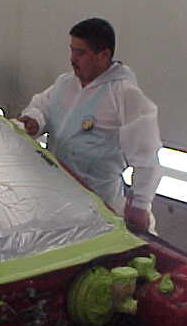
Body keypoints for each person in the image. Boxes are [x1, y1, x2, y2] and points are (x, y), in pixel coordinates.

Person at [17, 17, 163, 233]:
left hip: (99, 205)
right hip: (56, 196)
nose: (72, 59)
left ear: (103, 55)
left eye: (81, 53)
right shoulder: (65, 83)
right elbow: (42, 107)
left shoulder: (124, 94)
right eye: (72, 50)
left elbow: (146, 156)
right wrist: (34, 120)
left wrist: (140, 205)